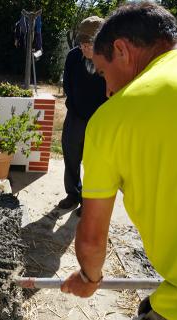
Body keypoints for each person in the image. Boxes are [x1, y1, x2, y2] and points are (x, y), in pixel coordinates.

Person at [60, 2, 177, 320]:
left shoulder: (113, 119)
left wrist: (90, 277)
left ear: (121, 49)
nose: (107, 89)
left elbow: (92, 240)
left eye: (104, 72)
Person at [58, 16, 107, 216]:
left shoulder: (109, 60)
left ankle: (88, 200)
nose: (84, 48)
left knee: (94, 161)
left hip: (100, 119)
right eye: (82, 43)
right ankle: (73, 194)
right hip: (75, 115)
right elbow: (68, 84)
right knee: (71, 155)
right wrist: (74, 106)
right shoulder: (73, 56)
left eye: (89, 44)